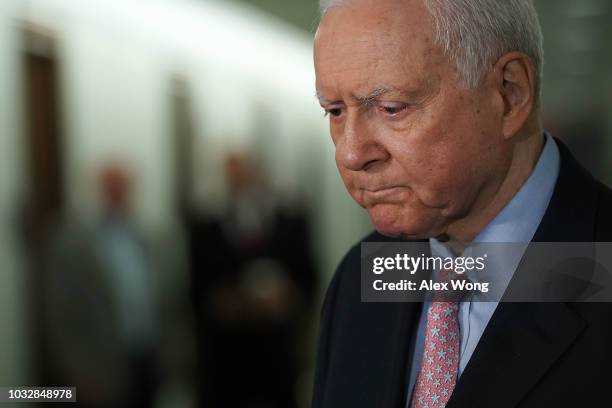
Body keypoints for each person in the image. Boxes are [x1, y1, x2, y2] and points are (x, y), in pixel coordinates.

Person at [311, 0, 612, 407]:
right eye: (334, 111)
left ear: (509, 94)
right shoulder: (360, 275)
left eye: (392, 108)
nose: (350, 154)